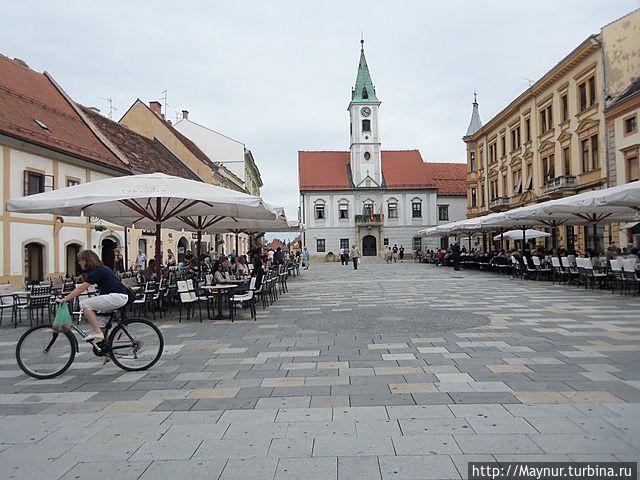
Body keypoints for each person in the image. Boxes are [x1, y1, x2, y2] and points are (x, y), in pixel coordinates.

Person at [58, 250, 129, 342]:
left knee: (84, 304)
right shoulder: (102, 268)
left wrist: (64, 299)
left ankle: (97, 331)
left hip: (116, 297)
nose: (79, 263)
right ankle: (107, 348)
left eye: (80, 260)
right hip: (118, 297)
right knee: (101, 322)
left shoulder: (97, 271)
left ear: (86, 260)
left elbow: (80, 289)